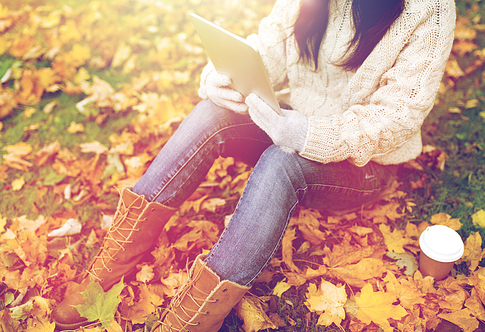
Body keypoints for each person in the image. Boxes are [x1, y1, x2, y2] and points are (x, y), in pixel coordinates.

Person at [52, 0, 456, 330]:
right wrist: (220, 78)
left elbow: (398, 115)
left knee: (282, 162)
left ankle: (191, 321)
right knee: (213, 113)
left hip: (361, 164)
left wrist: (309, 136)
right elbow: (267, 48)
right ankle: (107, 270)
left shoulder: (430, 9)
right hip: (289, 122)